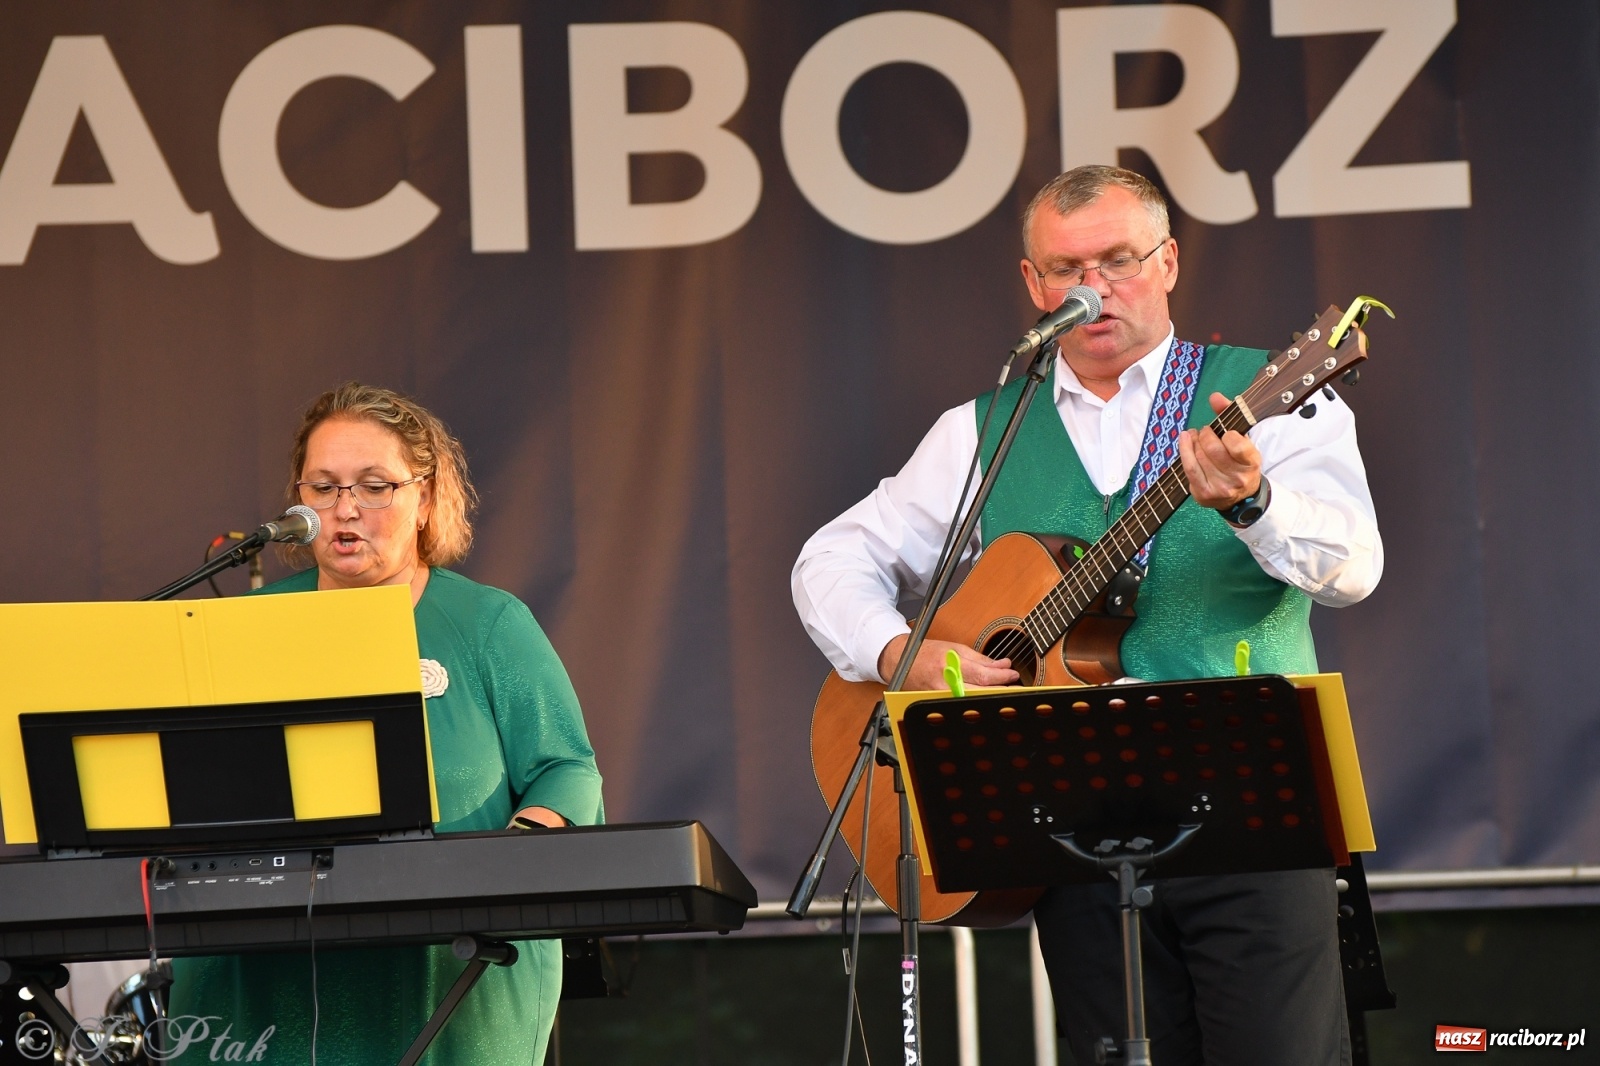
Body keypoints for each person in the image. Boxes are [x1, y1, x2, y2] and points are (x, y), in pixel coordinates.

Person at [792, 165, 1381, 1065]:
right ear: (1034, 286)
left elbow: (1355, 567)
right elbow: (829, 560)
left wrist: (1254, 505)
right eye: (1066, 269)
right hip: (1070, 829)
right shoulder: (983, 428)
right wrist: (894, 651)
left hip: (1254, 816)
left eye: (1118, 261)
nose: (1093, 289)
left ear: (1170, 261)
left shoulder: (1262, 392)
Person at [169, 382, 604, 1065]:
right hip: (262, 976)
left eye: (374, 486)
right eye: (323, 486)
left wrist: (510, 866)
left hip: (447, 974)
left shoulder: (488, 624)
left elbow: (567, 770)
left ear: (425, 499)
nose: (345, 509)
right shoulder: (239, 627)